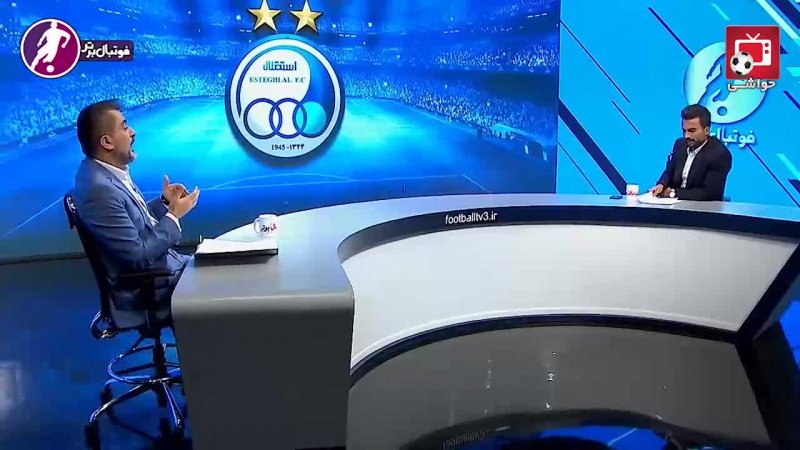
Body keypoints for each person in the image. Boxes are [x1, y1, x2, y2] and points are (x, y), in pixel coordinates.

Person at [71, 99, 200, 312]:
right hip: (153, 286)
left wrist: (165, 203)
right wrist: (173, 216)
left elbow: (133, 221)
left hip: (165, 270)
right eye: (124, 127)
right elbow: (138, 257)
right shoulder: (99, 189)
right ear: (107, 142)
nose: (132, 132)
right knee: (229, 283)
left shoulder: (104, 174)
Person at [649, 104, 732, 201]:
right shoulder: (680, 145)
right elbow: (669, 172)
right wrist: (661, 184)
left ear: (707, 131)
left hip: (702, 208)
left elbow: (709, 193)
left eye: (692, 131)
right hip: (672, 205)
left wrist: (673, 193)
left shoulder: (720, 154)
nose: (686, 136)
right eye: (684, 131)